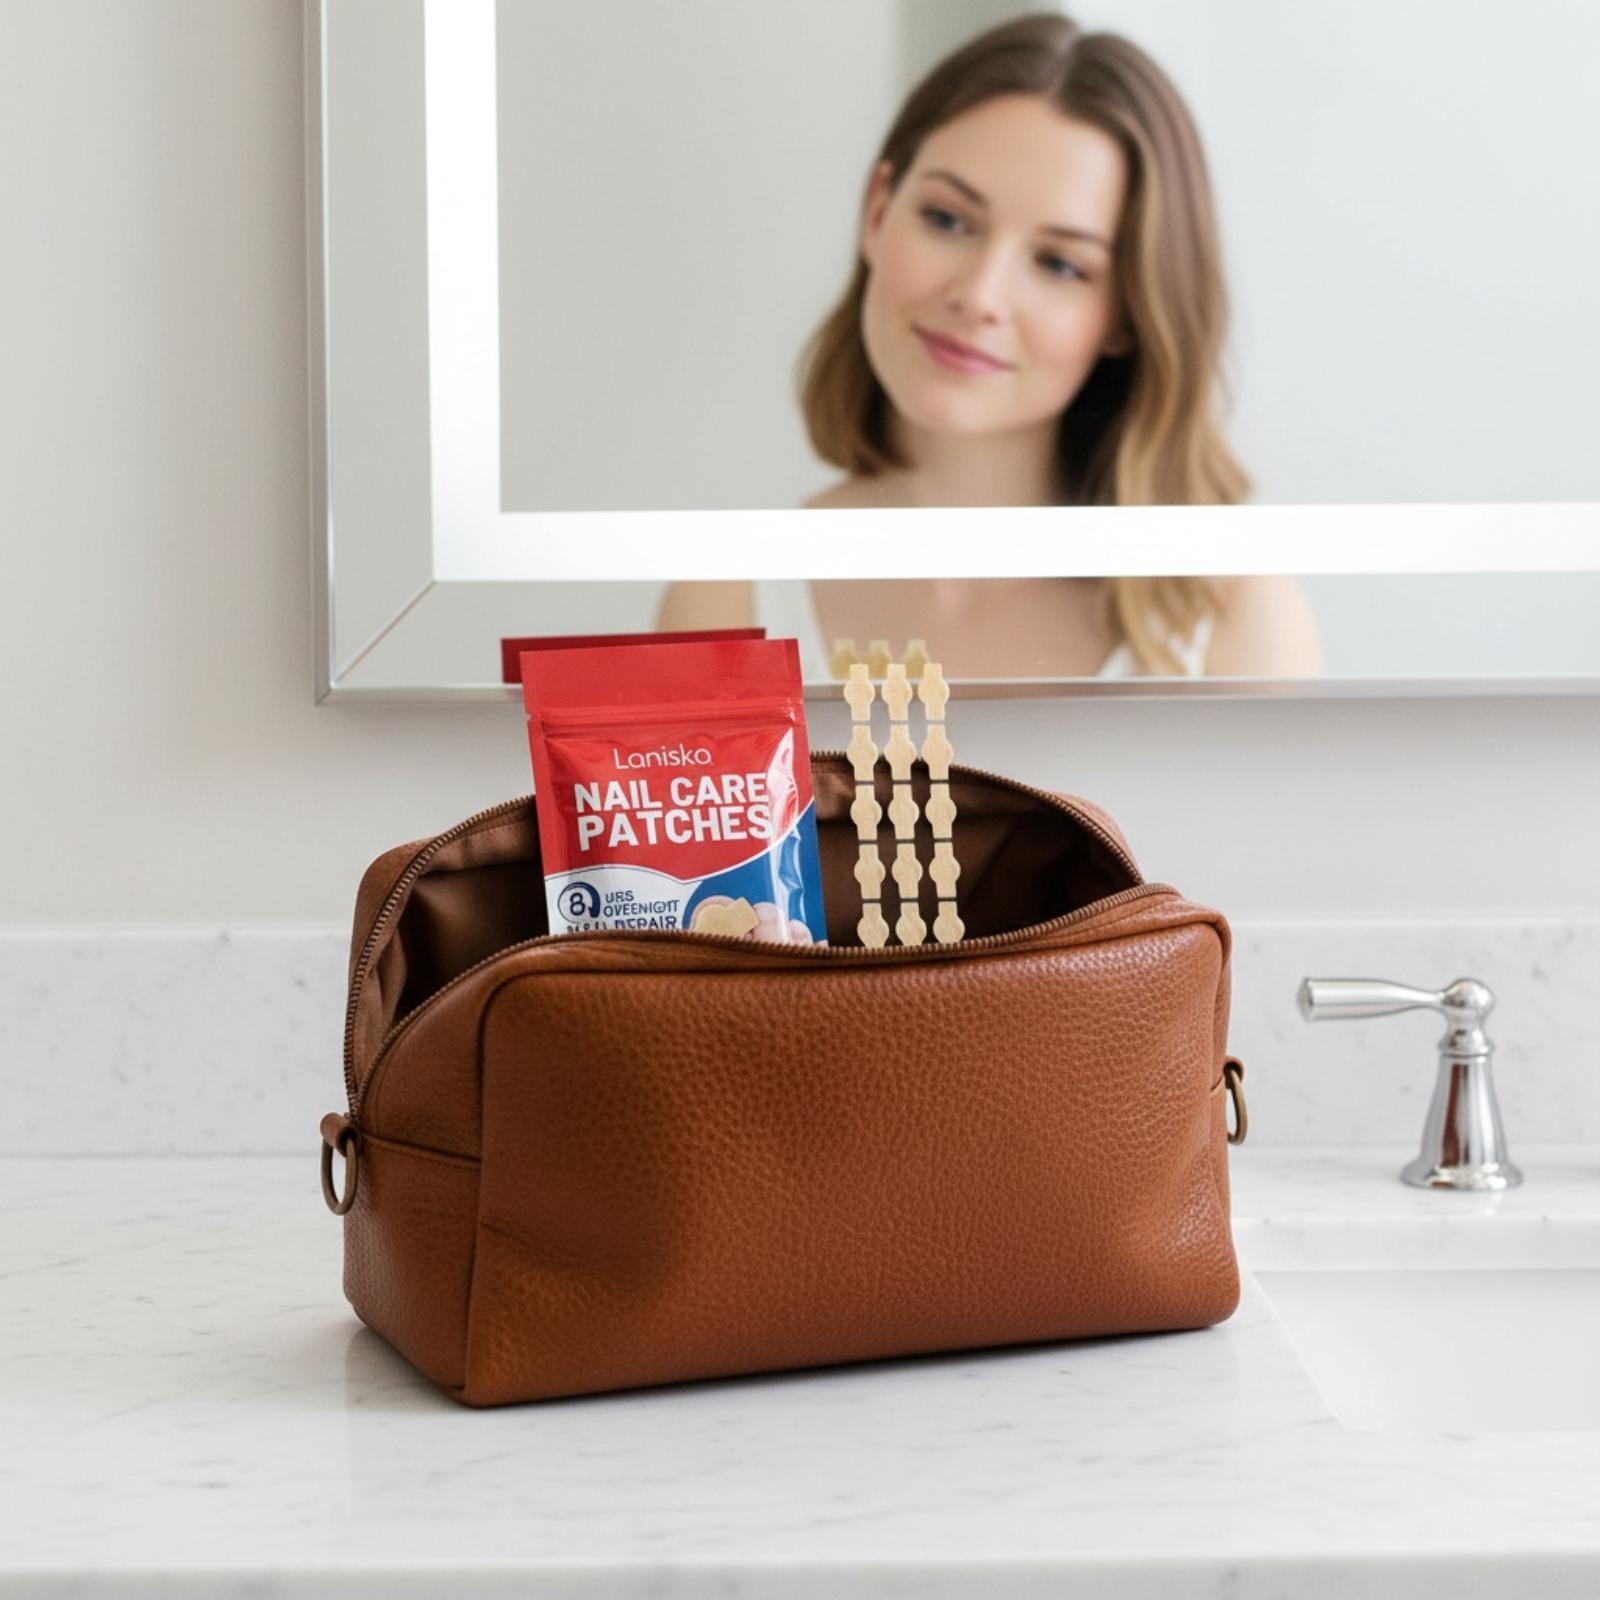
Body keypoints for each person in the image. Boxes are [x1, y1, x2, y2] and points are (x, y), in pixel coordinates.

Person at [659, 11, 1321, 679]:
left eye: (1059, 264)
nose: (980, 295)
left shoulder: (1231, 619)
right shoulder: (727, 600)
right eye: (948, 219)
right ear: (878, 211)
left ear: (1127, 315)